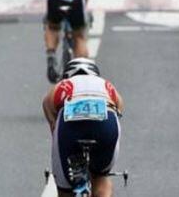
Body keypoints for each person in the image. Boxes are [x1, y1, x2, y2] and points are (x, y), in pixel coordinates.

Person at [42, 58, 124, 197]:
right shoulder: (107, 85)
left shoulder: (63, 84)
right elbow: (119, 113)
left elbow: (50, 114)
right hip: (106, 125)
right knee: (101, 178)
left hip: (70, 129)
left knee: (64, 190)